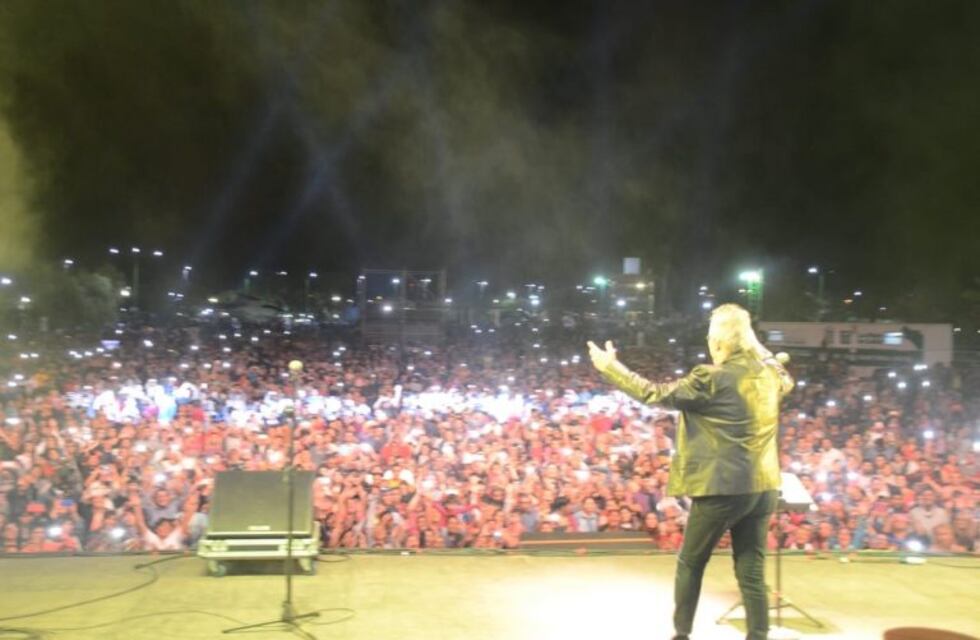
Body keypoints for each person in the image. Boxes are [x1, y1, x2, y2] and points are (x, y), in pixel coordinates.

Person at [589, 303, 793, 640]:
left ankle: (681, 635)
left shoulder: (711, 378)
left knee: (691, 562)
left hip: (723, 488)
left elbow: (654, 393)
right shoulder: (771, 375)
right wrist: (757, 348)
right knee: (752, 571)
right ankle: (758, 636)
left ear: (718, 342)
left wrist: (611, 367)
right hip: (764, 486)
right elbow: (785, 377)